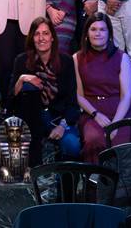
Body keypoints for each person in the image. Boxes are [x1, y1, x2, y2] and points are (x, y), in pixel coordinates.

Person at [10, 17, 81, 165]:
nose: (41, 38)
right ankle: (35, 177)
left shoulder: (66, 62)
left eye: (46, 33)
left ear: (53, 37)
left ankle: (66, 184)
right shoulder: (21, 61)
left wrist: (62, 126)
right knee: (29, 90)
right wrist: (22, 78)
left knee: (72, 144)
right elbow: (11, 99)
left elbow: (72, 101)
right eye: (37, 34)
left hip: (59, 118)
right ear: (32, 38)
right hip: (31, 119)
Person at [74, 13, 131, 163]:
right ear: (87, 34)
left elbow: (126, 96)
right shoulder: (77, 58)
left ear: (109, 33)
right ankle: (95, 183)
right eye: (93, 29)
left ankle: (122, 184)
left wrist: (115, 124)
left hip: (120, 111)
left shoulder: (122, 58)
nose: (98, 33)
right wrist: (95, 114)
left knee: (121, 144)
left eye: (102, 29)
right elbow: (79, 95)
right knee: (94, 139)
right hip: (92, 112)